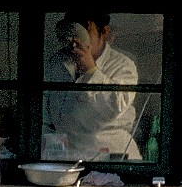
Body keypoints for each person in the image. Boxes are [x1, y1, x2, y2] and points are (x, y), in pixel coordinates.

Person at [43, 11, 141, 161]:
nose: (76, 39)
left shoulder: (123, 65)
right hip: (65, 156)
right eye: (72, 31)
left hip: (109, 154)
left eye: (85, 31)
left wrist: (90, 70)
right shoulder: (57, 63)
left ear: (104, 32)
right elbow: (45, 112)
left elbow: (114, 106)